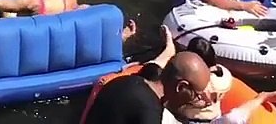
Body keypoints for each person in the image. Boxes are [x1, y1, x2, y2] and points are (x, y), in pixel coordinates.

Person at [82, 52, 210, 124]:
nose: (195, 100)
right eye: (196, 95)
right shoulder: (149, 114)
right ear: (181, 87)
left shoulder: (124, 82)